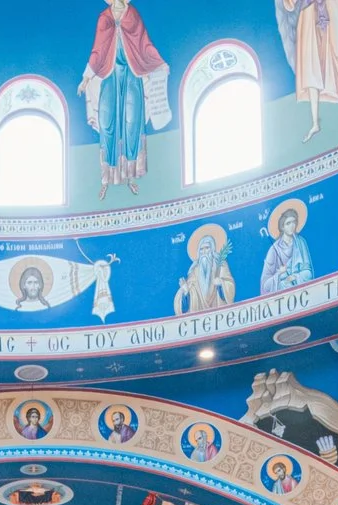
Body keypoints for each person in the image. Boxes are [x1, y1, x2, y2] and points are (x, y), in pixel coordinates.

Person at [79, 0, 169, 198]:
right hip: (110, 78)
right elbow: (98, 50)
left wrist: (160, 63)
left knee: (132, 123)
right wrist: (86, 78)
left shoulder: (133, 15)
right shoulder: (104, 18)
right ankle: (107, 177)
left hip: (132, 76)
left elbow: (145, 44)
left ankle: (131, 176)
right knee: (108, 125)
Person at [275, 0, 338, 137]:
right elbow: (289, 5)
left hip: (333, 10)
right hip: (309, 14)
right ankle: (315, 123)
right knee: (310, 66)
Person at [173, 229, 234, 315]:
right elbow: (189, 297)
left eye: (207, 248)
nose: (204, 252)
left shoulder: (221, 264)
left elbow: (230, 284)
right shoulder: (195, 270)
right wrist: (186, 291)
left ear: (212, 249)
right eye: (201, 249)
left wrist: (221, 284)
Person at [261, 201, 313, 294]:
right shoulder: (274, 250)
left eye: (294, 222)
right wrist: (280, 274)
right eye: (288, 223)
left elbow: (308, 273)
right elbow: (265, 285)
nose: (292, 226)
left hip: (301, 289)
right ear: (282, 227)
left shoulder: (301, 242)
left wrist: (295, 277)